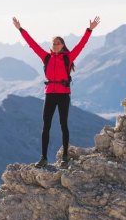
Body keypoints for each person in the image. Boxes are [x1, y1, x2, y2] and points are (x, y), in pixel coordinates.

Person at [12, 15, 101, 168]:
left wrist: (89, 30)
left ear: (62, 45)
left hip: (63, 94)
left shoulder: (69, 57)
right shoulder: (46, 57)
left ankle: (65, 156)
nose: (55, 45)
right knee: (46, 126)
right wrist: (20, 29)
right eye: (53, 43)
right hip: (50, 94)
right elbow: (31, 44)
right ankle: (44, 157)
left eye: (57, 43)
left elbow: (82, 44)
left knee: (63, 124)